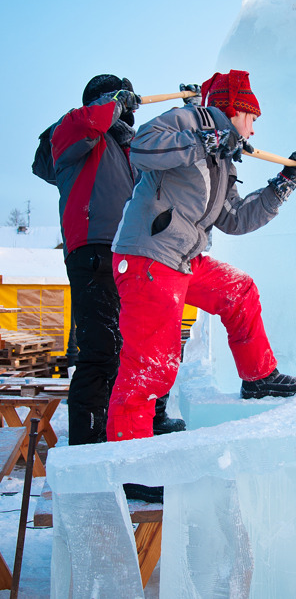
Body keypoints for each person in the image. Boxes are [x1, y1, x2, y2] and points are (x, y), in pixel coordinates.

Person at [106, 69, 296, 446]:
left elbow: (234, 219)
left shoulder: (223, 161)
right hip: (149, 257)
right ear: (236, 110)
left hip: (184, 258)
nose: (252, 131)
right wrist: (204, 139)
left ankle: (258, 377)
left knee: (239, 290)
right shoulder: (189, 121)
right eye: (252, 119)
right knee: (151, 366)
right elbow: (142, 147)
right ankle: (129, 464)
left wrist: (282, 185)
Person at [50, 74, 185, 447]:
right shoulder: (71, 132)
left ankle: (142, 431)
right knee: (102, 351)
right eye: (116, 100)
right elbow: (89, 120)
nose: (126, 110)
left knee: (142, 344)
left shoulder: (129, 150)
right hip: (94, 249)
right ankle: (89, 451)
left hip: (134, 253)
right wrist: (113, 103)